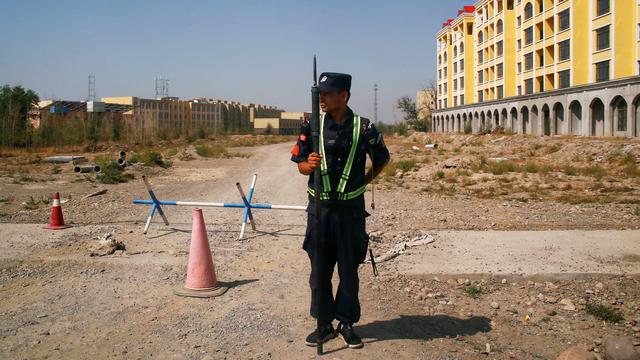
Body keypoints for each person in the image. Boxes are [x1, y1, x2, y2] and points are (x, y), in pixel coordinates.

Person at [290, 72, 390, 349]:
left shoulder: (364, 128)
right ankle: (323, 325)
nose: (321, 98)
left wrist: (363, 182)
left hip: (350, 212)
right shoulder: (312, 125)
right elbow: (298, 163)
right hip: (319, 211)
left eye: (327, 93)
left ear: (344, 95)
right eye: (319, 93)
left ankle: (346, 324)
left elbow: (382, 160)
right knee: (319, 271)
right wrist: (306, 166)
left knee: (349, 270)